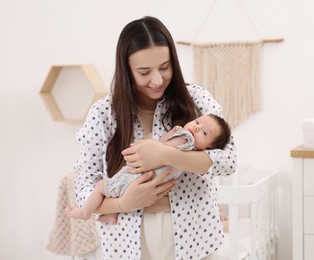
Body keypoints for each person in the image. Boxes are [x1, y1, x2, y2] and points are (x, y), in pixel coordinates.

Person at [73, 16, 237, 260]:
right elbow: (84, 188)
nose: (157, 80)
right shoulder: (103, 114)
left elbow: (228, 161)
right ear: (126, 69)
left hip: (195, 237)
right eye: (144, 72)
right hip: (128, 243)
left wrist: (166, 154)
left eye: (164, 67)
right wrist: (122, 204)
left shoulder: (197, 99)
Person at [67, 114, 231, 224]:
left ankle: (85, 213)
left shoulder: (186, 139)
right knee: (114, 191)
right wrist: (170, 136)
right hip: (146, 182)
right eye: (197, 122)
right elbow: (165, 147)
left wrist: (169, 137)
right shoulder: (192, 155)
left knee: (102, 186)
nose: (196, 128)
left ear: (209, 147)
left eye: (204, 132)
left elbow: (161, 149)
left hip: (137, 177)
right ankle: (111, 214)